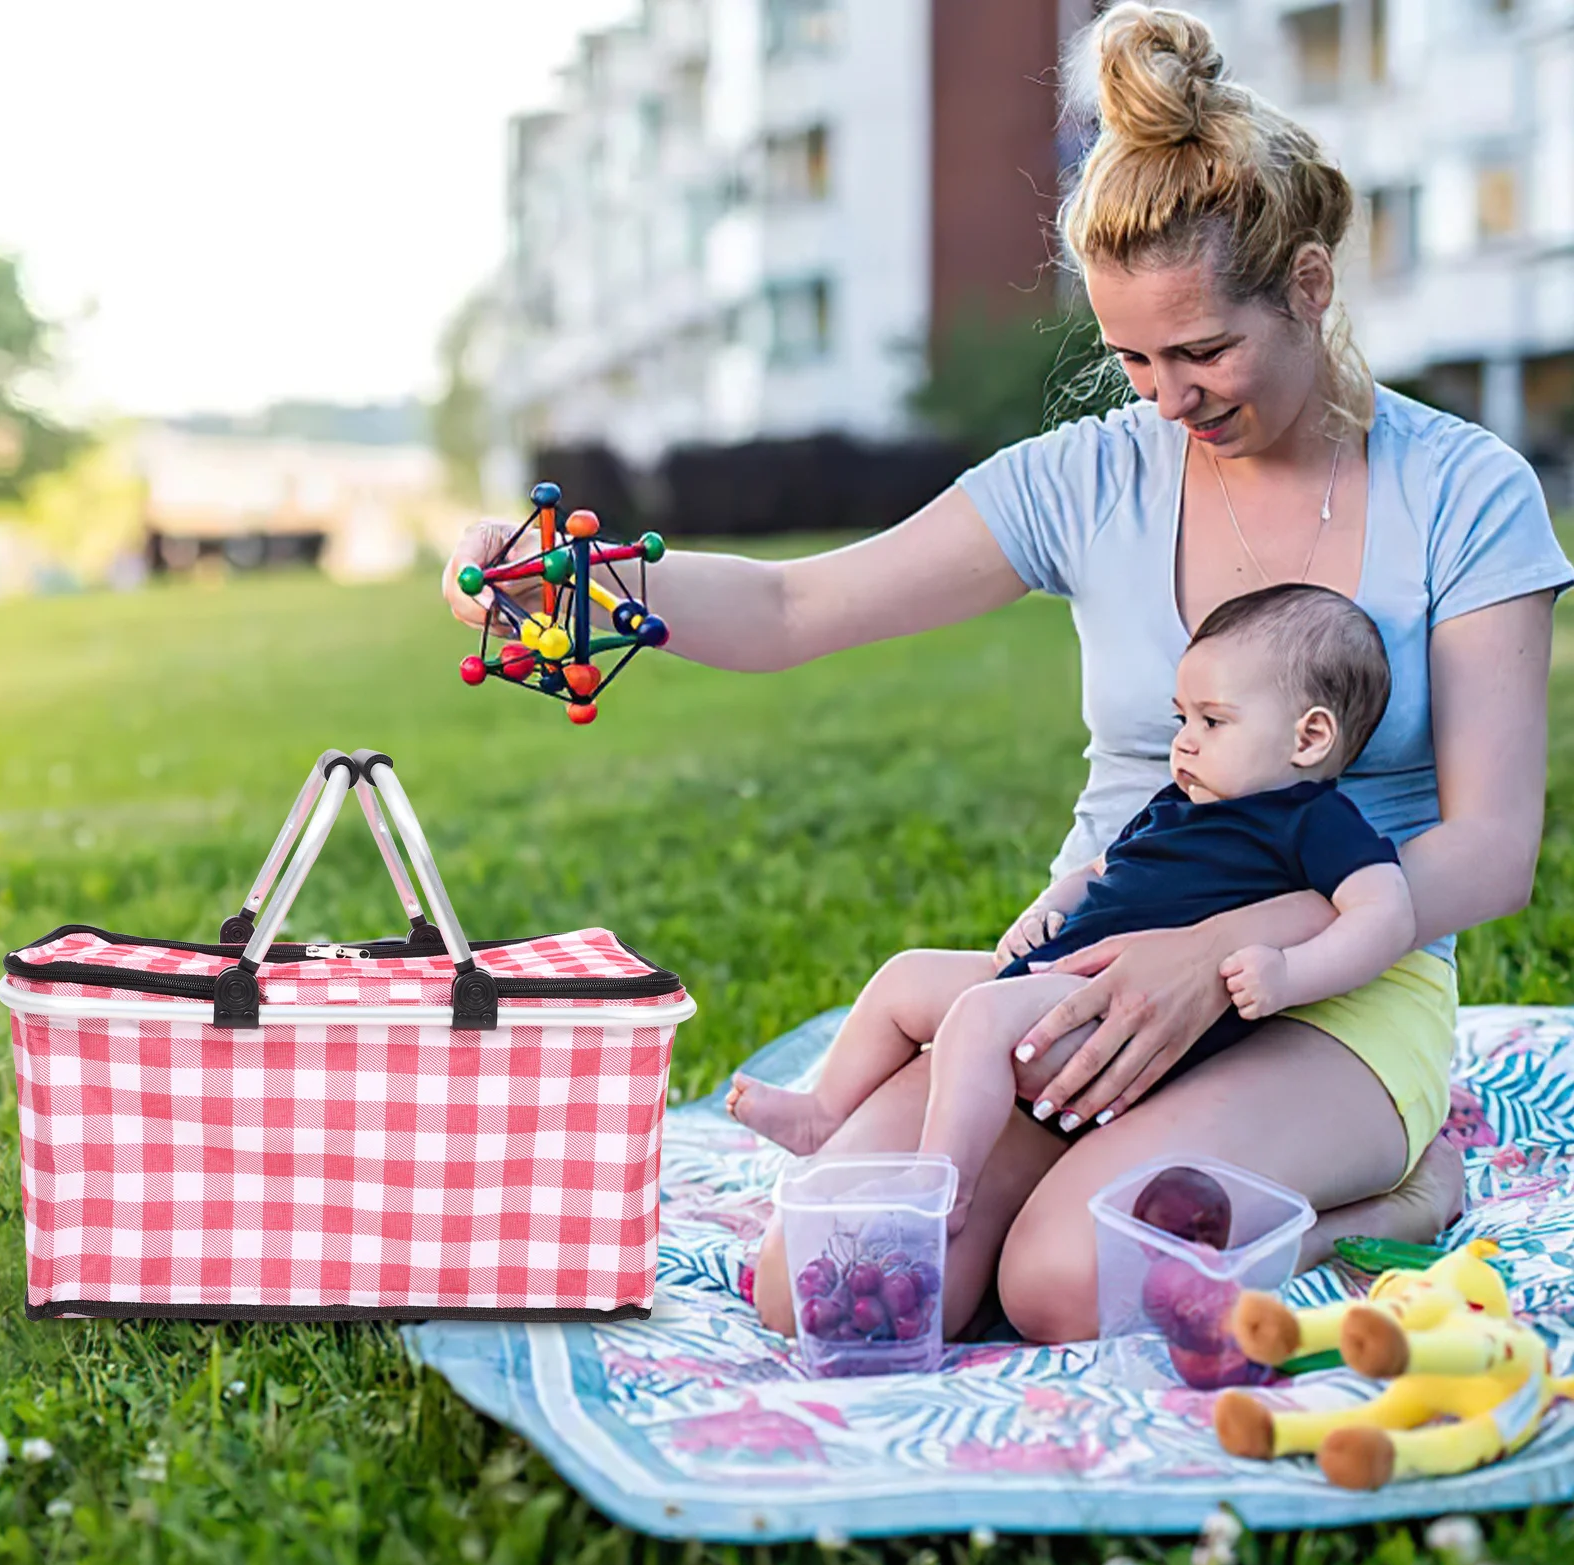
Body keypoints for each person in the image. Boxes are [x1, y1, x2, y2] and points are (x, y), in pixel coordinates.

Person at [444, 3, 1574, 1344]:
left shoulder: (1466, 493)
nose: (1166, 398)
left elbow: (1491, 852)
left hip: (1334, 980)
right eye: (1132, 357)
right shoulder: (1088, 477)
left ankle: (1396, 1194)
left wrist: (1215, 956)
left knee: (1063, 1283)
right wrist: (569, 588)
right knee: (825, 1292)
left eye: (1203, 351)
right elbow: (798, 602)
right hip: (1088, 965)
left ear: (1311, 286)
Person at [723, 584, 1418, 1239]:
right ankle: (824, 1113)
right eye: (1182, 719)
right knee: (908, 978)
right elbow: (1100, 872)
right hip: (1059, 982)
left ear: (1309, 737)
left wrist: (1290, 975)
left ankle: (942, 1188)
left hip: (1117, 1022)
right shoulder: (1177, 806)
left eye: (1213, 721)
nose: (1184, 741)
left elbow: (1384, 915)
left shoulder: (1311, 821)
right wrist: (1047, 905)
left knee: (978, 1019)